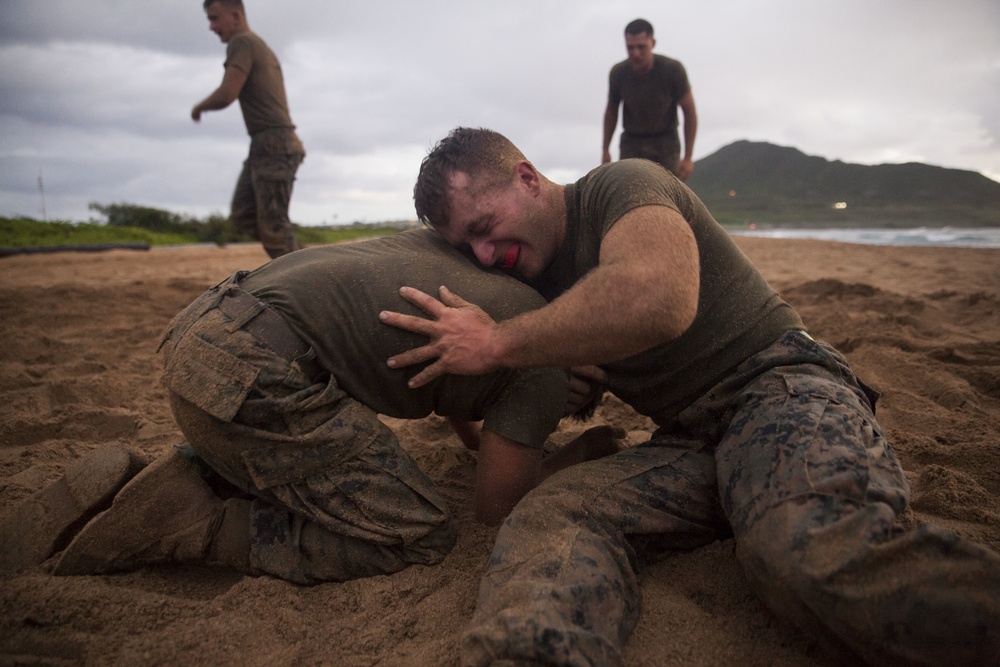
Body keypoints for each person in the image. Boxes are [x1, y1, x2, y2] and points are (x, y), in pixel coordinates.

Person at [378, 127, 1000, 666]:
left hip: (778, 386)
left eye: (485, 228)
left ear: (527, 178)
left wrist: (499, 342)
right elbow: (505, 398)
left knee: (801, 550)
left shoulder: (623, 186)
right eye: (469, 248)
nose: (487, 255)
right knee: (553, 512)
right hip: (692, 438)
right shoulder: (531, 282)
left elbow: (659, 297)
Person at [4, 229, 621, 584]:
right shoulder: (544, 366)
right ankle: (200, 523)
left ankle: (176, 473)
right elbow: (495, 513)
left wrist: (507, 438)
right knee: (423, 534)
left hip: (208, 330)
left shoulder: (477, 279)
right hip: (253, 378)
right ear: (582, 371)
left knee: (323, 451)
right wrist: (564, 459)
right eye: (577, 403)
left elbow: (459, 414)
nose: (561, 411)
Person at [191, 0, 305, 259]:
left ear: (235, 16)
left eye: (214, 18)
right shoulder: (257, 45)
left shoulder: (242, 43)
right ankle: (303, 260)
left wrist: (198, 107)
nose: (211, 26)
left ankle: (308, 277)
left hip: (275, 143)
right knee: (246, 215)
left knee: (274, 231)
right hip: (266, 143)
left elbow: (227, 93)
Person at [602, 18, 697, 181]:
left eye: (641, 47)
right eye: (630, 48)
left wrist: (688, 157)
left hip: (666, 142)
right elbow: (611, 112)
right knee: (627, 191)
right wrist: (605, 150)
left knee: (669, 194)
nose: (635, 54)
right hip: (632, 142)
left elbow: (689, 112)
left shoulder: (673, 70)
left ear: (652, 43)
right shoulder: (618, 73)